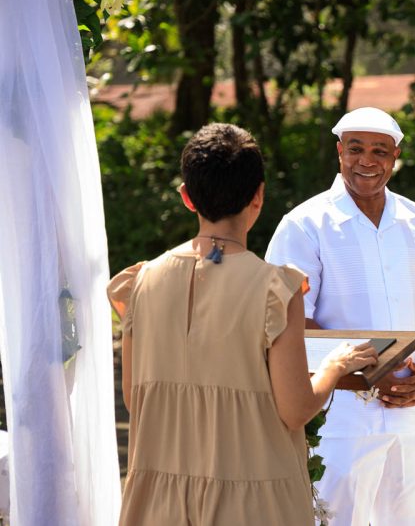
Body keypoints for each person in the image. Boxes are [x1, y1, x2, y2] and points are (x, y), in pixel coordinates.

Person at [106, 123, 378, 526]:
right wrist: (335, 366)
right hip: (254, 497)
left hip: (157, 498)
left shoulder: (139, 282)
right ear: (259, 196)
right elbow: (296, 408)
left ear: (186, 196)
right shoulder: (276, 288)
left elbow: (137, 399)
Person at [265, 107, 415, 525]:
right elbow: (291, 319)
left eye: (380, 151)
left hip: (414, 409)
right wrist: (373, 370)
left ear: (395, 158)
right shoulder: (304, 224)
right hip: (338, 412)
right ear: (339, 153)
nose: (367, 161)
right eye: (356, 149)